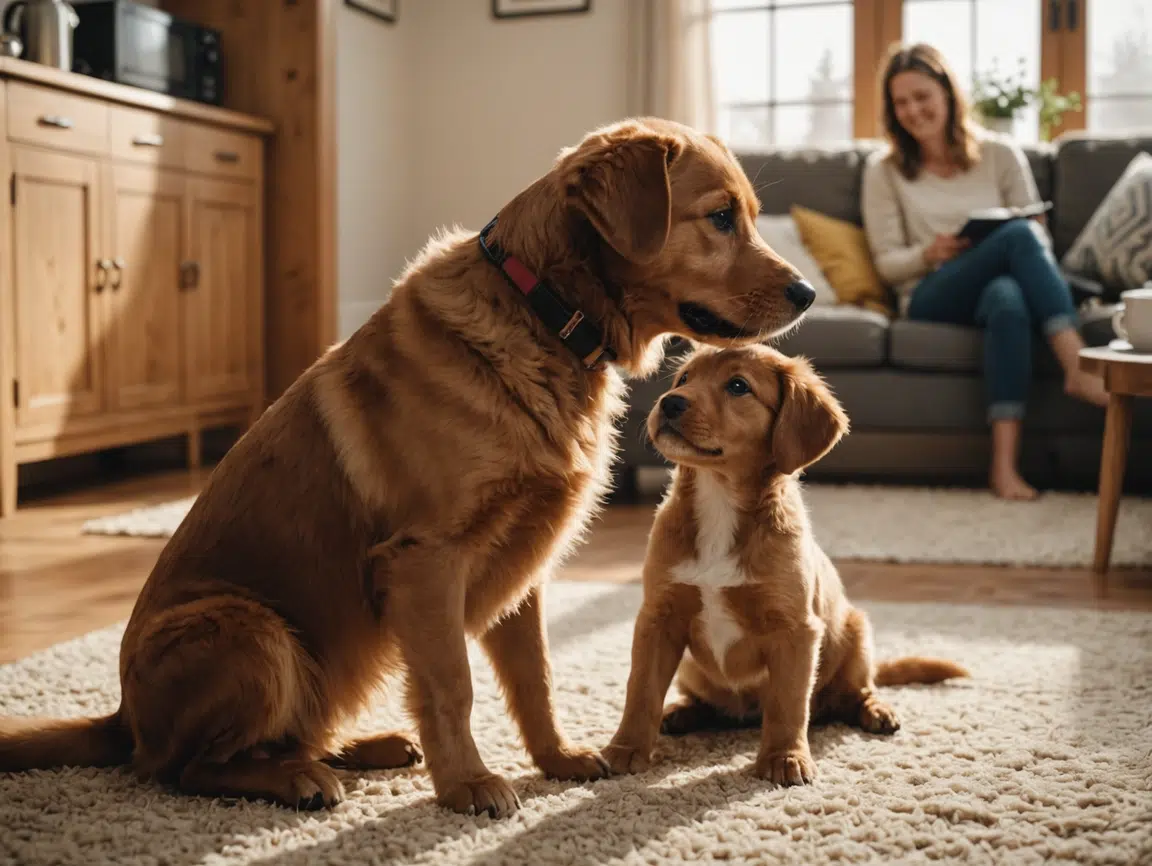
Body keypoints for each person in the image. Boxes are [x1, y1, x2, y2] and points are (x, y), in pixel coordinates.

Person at [861, 42, 1108, 501]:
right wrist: (930, 254)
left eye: (923, 96)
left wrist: (1008, 236)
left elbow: (1039, 237)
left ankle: (1003, 468)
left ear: (948, 95)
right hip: (930, 294)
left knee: (1008, 296)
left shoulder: (999, 153)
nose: (914, 110)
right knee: (1016, 236)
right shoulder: (885, 170)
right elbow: (888, 265)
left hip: (994, 284)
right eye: (902, 102)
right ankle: (1076, 365)